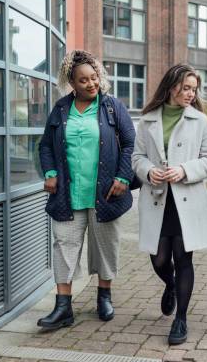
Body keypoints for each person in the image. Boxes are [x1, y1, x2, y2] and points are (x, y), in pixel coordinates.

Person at [38, 50, 136, 329]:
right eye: (83, 80)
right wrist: (50, 172)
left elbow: (130, 144)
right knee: (63, 247)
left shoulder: (112, 107)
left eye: (94, 78)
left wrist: (123, 177)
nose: (91, 84)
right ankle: (63, 306)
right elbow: (46, 145)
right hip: (68, 195)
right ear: (71, 82)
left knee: (106, 246)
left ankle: (104, 295)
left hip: (106, 193)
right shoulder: (60, 109)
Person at [132, 64, 207, 345]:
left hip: (187, 199)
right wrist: (148, 171)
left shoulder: (199, 121)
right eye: (186, 88)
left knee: (183, 258)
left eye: (194, 89)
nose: (191, 93)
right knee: (158, 259)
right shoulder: (147, 120)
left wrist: (184, 170)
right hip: (157, 198)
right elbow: (137, 157)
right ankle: (170, 285)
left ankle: (181, 319)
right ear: (171, 87)